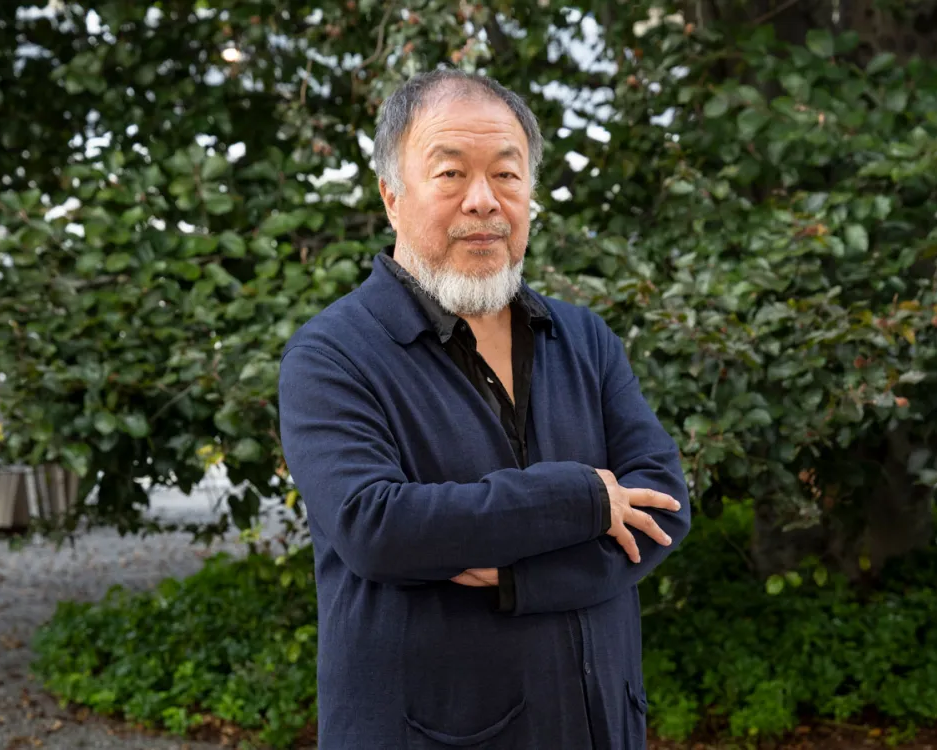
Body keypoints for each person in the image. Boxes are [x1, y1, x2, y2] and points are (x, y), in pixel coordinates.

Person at [278, 68, 691, 750]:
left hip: (600, 726)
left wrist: (520, 577)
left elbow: (664, 505)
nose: (483, 201)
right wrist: (583, 498)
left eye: (506, 174)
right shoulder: (333, 355)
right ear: (391, 196)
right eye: (450, 175)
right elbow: (376, 526)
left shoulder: (582, 338)